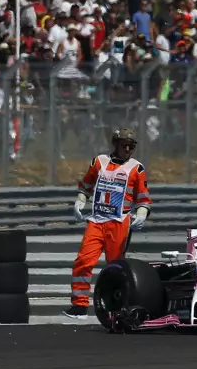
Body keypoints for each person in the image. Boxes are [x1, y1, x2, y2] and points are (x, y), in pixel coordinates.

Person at [64, 128, 152, 320]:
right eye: (124, 145)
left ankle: (117, 308)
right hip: (97, 221)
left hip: (119, 222)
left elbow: (144, 198)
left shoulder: (137, 168)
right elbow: (86, 184)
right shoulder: (99, 162)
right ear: (115, 144)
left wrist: (142, 213)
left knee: (116, 268)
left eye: (131, 146)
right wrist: (80, 200)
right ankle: (79, 306)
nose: (128, 149)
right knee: (83, 261)